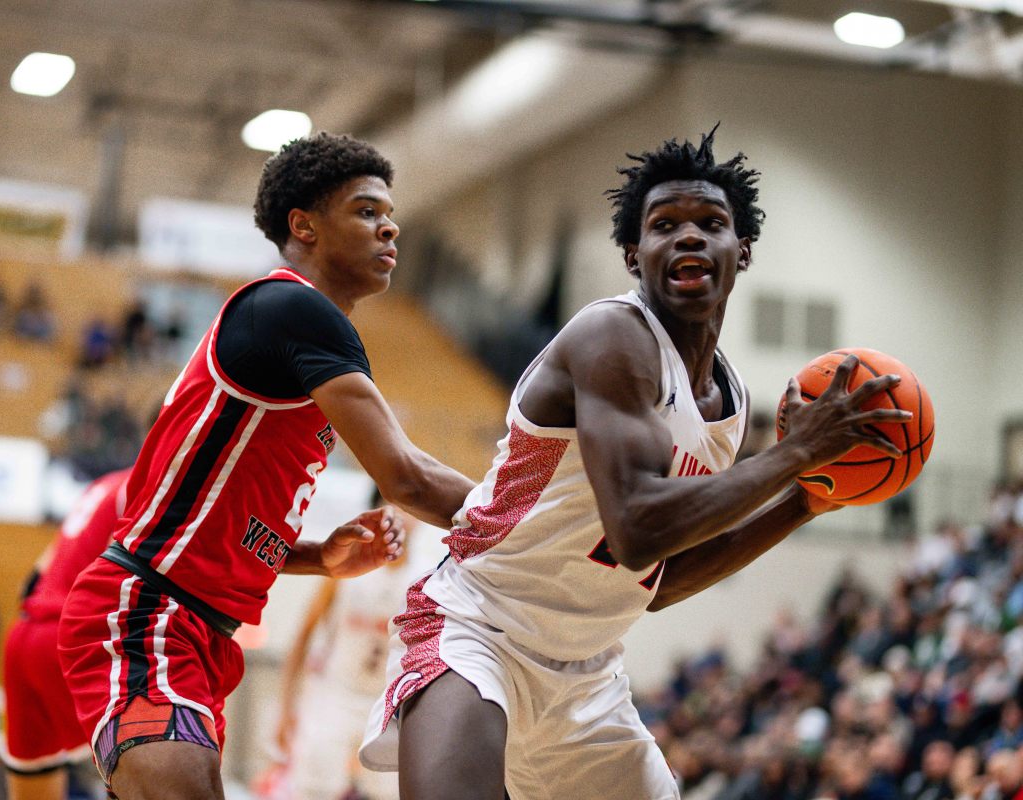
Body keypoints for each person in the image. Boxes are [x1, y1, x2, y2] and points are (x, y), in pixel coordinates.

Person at [358, 127, 913, 800]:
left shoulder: (727, 405)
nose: (688, 236)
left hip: (589, 675)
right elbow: (637, 530)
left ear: (742, 253)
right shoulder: (612, 336)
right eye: (664, 224)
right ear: (632, 254)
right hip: (480, 627)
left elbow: (660, 580)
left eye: (711, 223)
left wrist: (803, 501)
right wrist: (795, 454)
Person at [58, 132, 474, 800]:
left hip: (197, 633)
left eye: (389, 212)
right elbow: (408, 479)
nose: (390, 224)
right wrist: (534, 521)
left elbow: (217, 520)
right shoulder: (292, 308)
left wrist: (319, 558)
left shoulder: (301, 343)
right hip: (148, 614)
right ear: (303, 225)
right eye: (367, 210)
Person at [273, 488, 430, 800]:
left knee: (394, 792)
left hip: (390, 705)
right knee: (311, 789)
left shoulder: (427, 578)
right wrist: (286, 707)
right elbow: (304, 634)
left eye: (409, 509)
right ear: (376, 514)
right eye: (393, 506)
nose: (402, 515)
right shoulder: (348, 569)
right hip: (336, 695)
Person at [3, 468, 130, 800]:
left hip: (24, 635)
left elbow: (32, 579)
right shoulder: (151, 484)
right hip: (67, 638)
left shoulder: (103, 486)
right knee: (141, 769)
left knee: (35, 782)